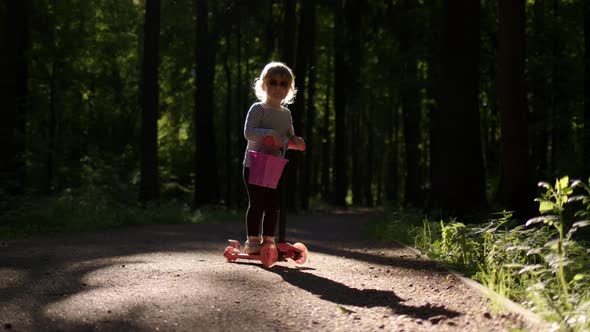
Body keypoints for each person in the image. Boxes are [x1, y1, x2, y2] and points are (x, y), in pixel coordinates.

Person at [242, 62, 306, 254]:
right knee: (257, 202)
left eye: (283, 84)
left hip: (274, 167)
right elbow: (249, 133)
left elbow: (287, 139)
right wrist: (269, 134)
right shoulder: (258, 109)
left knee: (273, 204)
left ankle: (269, 240)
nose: (278, 88)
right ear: (263, 85)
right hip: (254, 164)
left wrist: (296, 142)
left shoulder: (286, 115)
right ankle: (253, 241)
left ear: (290, 89)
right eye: (273, 83)